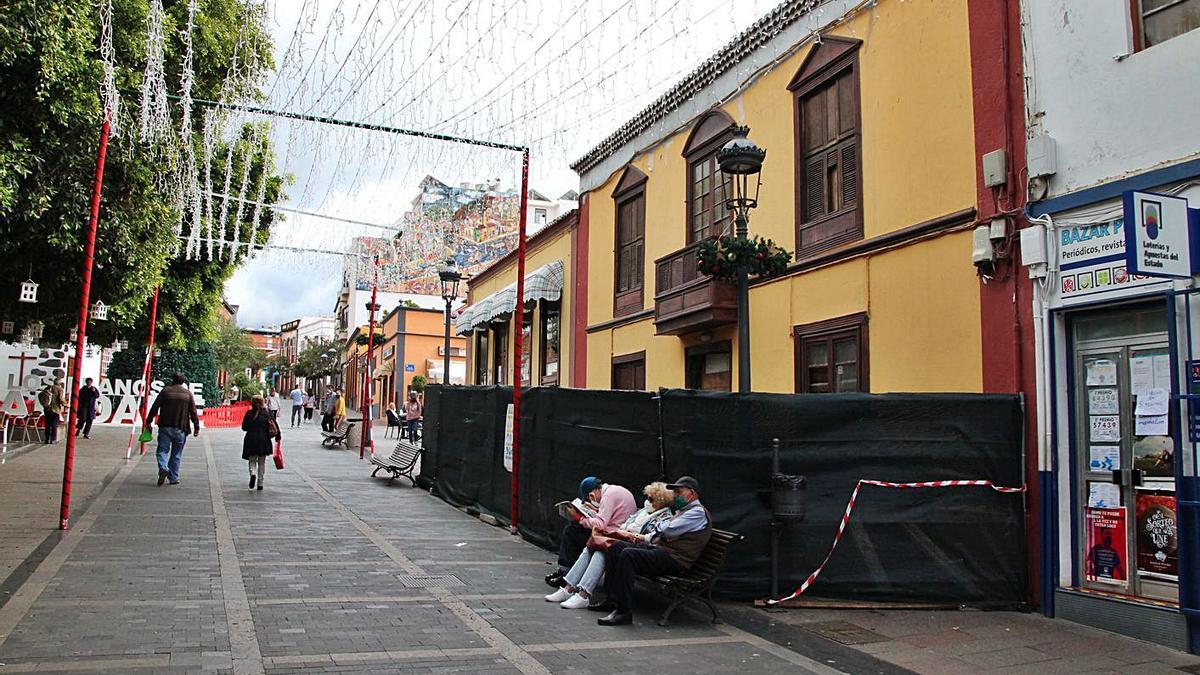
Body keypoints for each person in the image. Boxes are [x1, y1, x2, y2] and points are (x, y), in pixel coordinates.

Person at [595, 476, 712, 626]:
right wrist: (644, 537)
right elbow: (662, 532)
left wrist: (662, 528)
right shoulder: (683, 511)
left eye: (679, 492)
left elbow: (667, 530)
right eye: (674, 492)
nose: (675, 496)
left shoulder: (697, 513)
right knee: (616, 546)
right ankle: (612, 600)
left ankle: (623, 611)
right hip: (664, 551)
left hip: (676, 560)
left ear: (692, 493)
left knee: (628, 555)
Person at [546, 482, 673, 609]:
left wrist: (581, 518)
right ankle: (569, 589)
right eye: (647, 497)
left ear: (661, 501)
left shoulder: (664, 517)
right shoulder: (644, 512)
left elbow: (651, 538)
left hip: (635, 545)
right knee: (591, 547)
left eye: (651, 499)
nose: (647, 501)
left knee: (600, 550)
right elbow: (626, 524)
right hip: (622, 538)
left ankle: (582, 594)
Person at [546, 477, 637, 590]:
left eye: (590, 498)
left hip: (613, 535)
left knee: (572, 532)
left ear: (592, 495)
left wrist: (579, 518)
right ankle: (568, 578)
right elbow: (609, 516)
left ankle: (567, 575)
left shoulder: (608, 496)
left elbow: (601, 524)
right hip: (616, 531)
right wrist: (594, 510)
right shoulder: (613, 491)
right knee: (575, 531)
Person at [145, 373, 200, 486]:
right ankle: (173, 477)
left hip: (165, 426)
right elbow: (193, 412)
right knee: (176, 454)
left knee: (162, 450)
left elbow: (155, 407)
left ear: (172, 380)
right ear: (183, 381)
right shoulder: (188, 394)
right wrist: (196, 427)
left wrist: (148, 421)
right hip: (181, 427)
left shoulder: (165, 391)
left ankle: (163, 467)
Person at [241, 395, 280, 491]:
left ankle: (253, 474)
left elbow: (244, 428)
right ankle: (260, 483)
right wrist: (278, 436)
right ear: (262, 402)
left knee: (252, 461)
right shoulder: (267, 413)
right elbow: (274, 424)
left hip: (251, 440)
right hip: (264, 440)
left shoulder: (249, 414)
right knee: (262, 463)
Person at [38, 378, 66, 444]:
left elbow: (40, 395)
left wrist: (43, 404)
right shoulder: (60, 389)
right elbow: (61, 399)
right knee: (54, 425)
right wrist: (66, 404)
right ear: (59, 383)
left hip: (47, 409)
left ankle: (47, 439)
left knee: (47, 425)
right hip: (55, 409)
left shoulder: (47, 388)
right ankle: (53, 439)